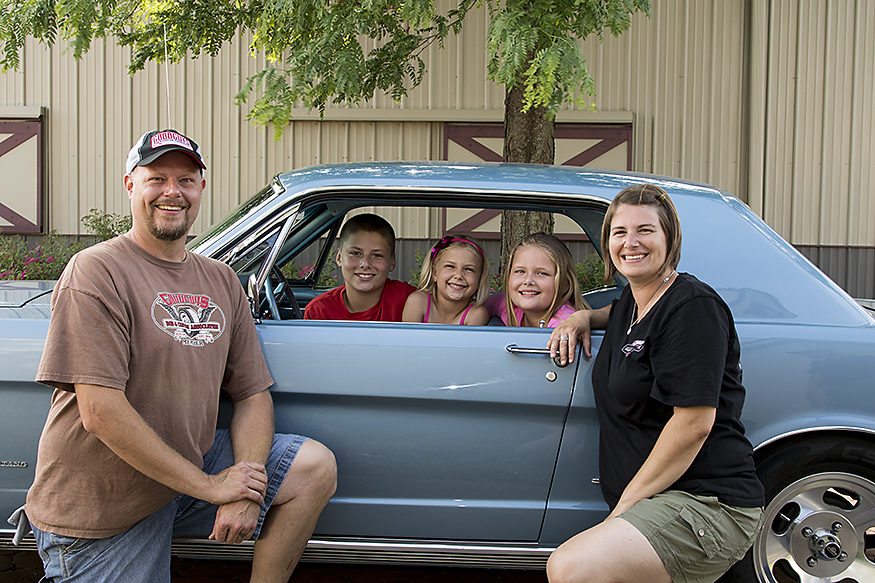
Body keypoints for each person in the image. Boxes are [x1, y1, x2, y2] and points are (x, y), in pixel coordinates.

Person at [21, 129, 337, 583]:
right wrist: (212, 488)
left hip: (183, 478)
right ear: (131, 185)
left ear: (201, 189)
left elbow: (251, 394)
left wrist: (245, 486)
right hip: (105, 506)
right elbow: (100, 412)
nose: (173, 192)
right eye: (157, 179)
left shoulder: (221, 280)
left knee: (312, 466)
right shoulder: (97, 270)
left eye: (186, 180)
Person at [545, 183, 764, 583]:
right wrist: (580, 317)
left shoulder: (693, 307)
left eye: (645, 230)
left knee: (571, 567)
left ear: (670, 238)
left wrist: (623, 509)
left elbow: (694, 424)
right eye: (619, 232)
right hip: (663, 500)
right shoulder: (635, 298)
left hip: (705, 502)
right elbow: (617, 313)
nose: (631, 242)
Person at [304, 213, 416, 321]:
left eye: (377, 255)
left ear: (392, 262)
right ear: (339, 258)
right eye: (355, 253)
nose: (365, 264)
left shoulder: (410, 301)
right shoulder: (319, 311)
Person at [485, 232, 589, 327]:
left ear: (565, 284)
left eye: (542, 273)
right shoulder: (506, 304)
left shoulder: (564, 324)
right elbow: (473, 307)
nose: (528, 281)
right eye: (520, 271)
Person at [402, 236, 490, 325]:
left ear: (479, 280)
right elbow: (409, 338)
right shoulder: (418, 302)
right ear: (434, 273)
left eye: (469, 269)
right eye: (450, 266)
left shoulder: (477, 314)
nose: (458, 275)